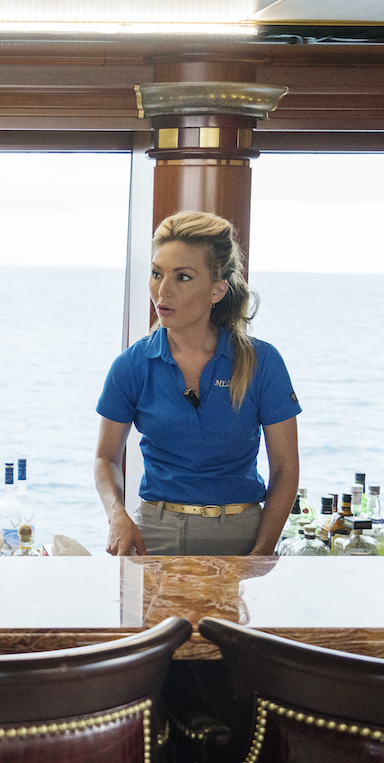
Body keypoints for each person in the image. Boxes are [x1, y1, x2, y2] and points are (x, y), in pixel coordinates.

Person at [93, 210, 299, 557]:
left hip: (242, 536)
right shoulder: (131, 366)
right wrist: (117, 515)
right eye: (156, 274)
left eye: (183, 277)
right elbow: (106, 458)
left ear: (217, 290)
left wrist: (262, 551)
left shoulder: (262, 362)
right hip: (154, 536)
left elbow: (285, 469)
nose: (163, 290)